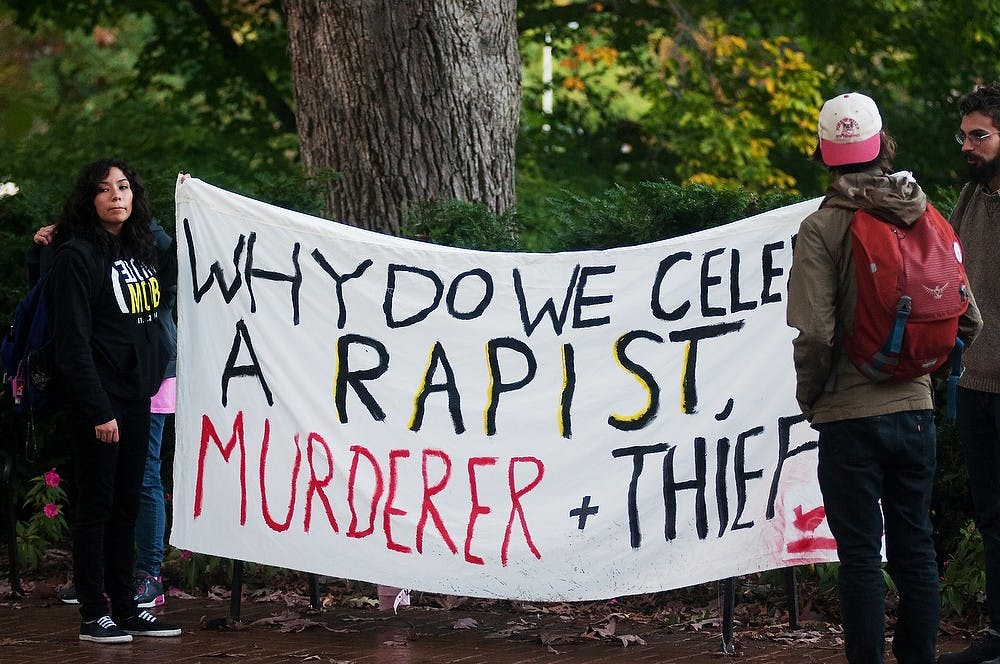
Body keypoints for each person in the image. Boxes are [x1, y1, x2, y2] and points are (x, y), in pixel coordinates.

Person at [786, 92, 981, 663]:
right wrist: (922, 367)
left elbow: (816, 332)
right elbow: (968, 319)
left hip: (848, 417)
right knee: (916, 545)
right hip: (915, 413)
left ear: (825, 151)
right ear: (882, 145)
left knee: (861, 558)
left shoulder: (821, 227)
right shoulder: (925, 214)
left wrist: (812, 397)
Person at [47, 158, 180, 643]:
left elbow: (176, 268)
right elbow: (73, 343)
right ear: (90, 200)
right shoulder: (76, 257)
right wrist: (98, 408)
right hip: (99, 404)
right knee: (97, 508)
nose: (116, 196)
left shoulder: (140, 248)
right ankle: (93, 613)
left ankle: (126, 608)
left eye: (123, 187)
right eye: (104, 190)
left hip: (137, 396)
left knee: (127, 505)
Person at [939, 81, 1000, 664]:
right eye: (965, 136)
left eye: (979, 135)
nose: (968, 145)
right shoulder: (971, 198)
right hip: (977, 382)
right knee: (993, 517)